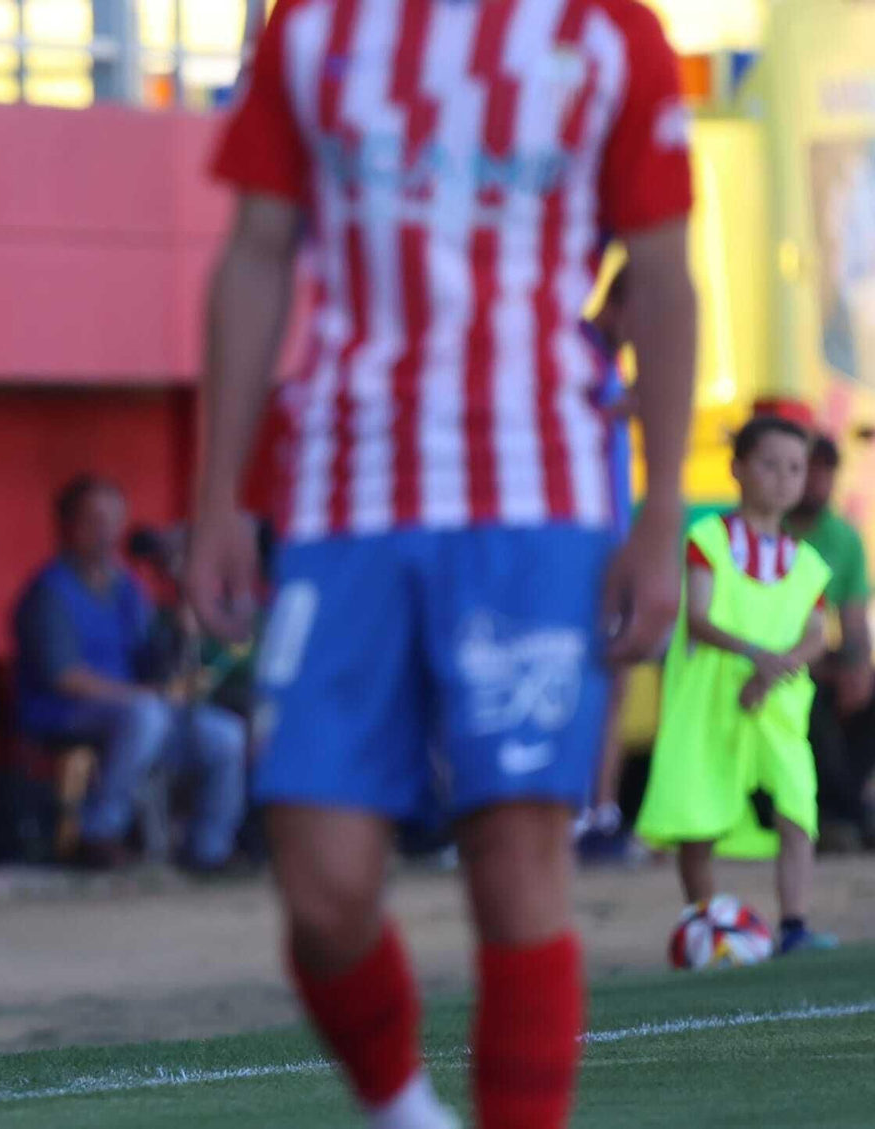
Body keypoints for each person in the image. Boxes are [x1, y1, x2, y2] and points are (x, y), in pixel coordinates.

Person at [187, 2, 697, 1126]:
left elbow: (662, 278)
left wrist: (659, 509)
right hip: (342, 496)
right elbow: (256, 254)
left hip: (536, 494)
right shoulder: (311, 27)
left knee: (515, 856)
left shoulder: (609, 33)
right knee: (321, 885)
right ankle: (404, 1109)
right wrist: (217, 493)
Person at [636, 417, 836, 953]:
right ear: (737, 469)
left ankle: (794, 924)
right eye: (769, 465)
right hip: (709, 704)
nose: (783, 479)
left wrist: (772, 670)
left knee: (797, 808)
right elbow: (698, 619)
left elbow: (817, 636)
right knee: (698, 819)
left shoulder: (807, 564)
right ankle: (706, 924)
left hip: (777, 709)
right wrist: (760, 659)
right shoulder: (709, 541)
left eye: (795, 468)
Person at [14, 476, 247, 872]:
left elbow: (150, 660)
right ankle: (98, 834)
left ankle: (210, 849)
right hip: (64, 714)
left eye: (113, 520)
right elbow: (65, 677)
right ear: (68, 525)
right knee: (146, 715)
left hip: (136, 718)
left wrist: (179, 624)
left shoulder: (127, 587)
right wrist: (139, 696)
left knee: (224, 734)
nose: (106, 531)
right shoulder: (49, 591)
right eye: (94, 520)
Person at [576, 265, 638, 857]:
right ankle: (575, 810)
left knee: (615, 678)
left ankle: (602, 810)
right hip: (578, 543)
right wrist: (634, 405)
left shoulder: (611, 361)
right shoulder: (577, 350)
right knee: (584, 676)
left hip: (612, 544)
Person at [787, 435, 875, 849]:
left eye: (826, 472)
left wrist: (858, 669)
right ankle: (846, 816)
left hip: (818, 658)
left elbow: (854, 623)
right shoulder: (768, 533)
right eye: (808, 470)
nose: (817, 482)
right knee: (812, 707)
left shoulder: (844, 537)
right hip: (775, 663)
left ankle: (843, 815)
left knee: (862, 696)